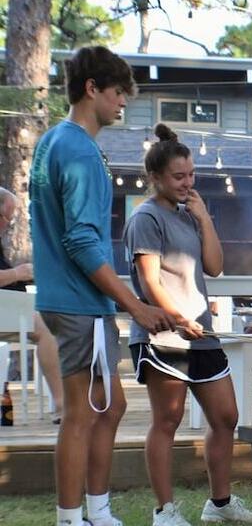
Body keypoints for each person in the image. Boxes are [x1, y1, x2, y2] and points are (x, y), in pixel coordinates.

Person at [29, 46, 177, 526]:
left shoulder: (52, 140)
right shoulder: (78, 149)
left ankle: (96, 509)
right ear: (91, 89)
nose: (122, 104)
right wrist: (134, 304)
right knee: (81, 413)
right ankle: (71, 518)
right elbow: (81, 240)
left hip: (68, 298)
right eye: (117, 94)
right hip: (78, 302)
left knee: (109, 406)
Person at [124, 124, 252, 525]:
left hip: (201, 335)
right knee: (166, 421)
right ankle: (163, 511)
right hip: (164, 336)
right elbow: (150, 282)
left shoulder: (189, 215)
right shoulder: (145, 218)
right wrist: (180, 319)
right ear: (155, 178)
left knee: (226, 417)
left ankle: (218, 505)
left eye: (191, 175)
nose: (187, 183)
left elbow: (216, 267)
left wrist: (204, 218)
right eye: (178, 176)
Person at [0, 187, 64, 424]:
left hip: (11, 306)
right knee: (46, 329)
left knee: (51, 321)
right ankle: (61, 404)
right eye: (6, 217)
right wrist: (17, 273)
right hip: (7, 310)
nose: (8, 224)